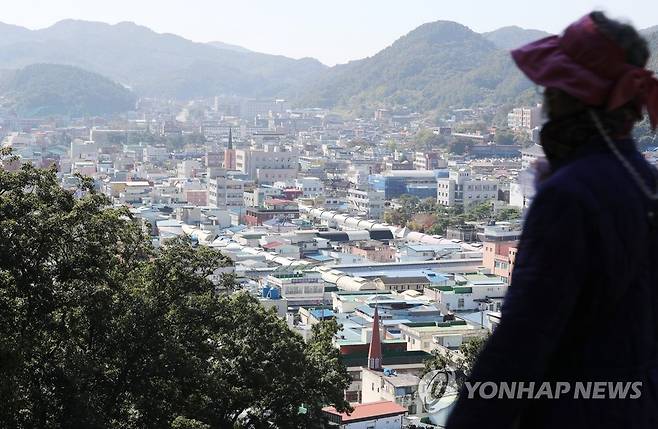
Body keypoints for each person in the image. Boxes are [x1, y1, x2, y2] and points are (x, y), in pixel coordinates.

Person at [446, 12, 658, 429]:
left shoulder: (569, 194)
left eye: (552, 88)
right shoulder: (645, 181)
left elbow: (523, 339)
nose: (546, 102)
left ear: (573, 96)